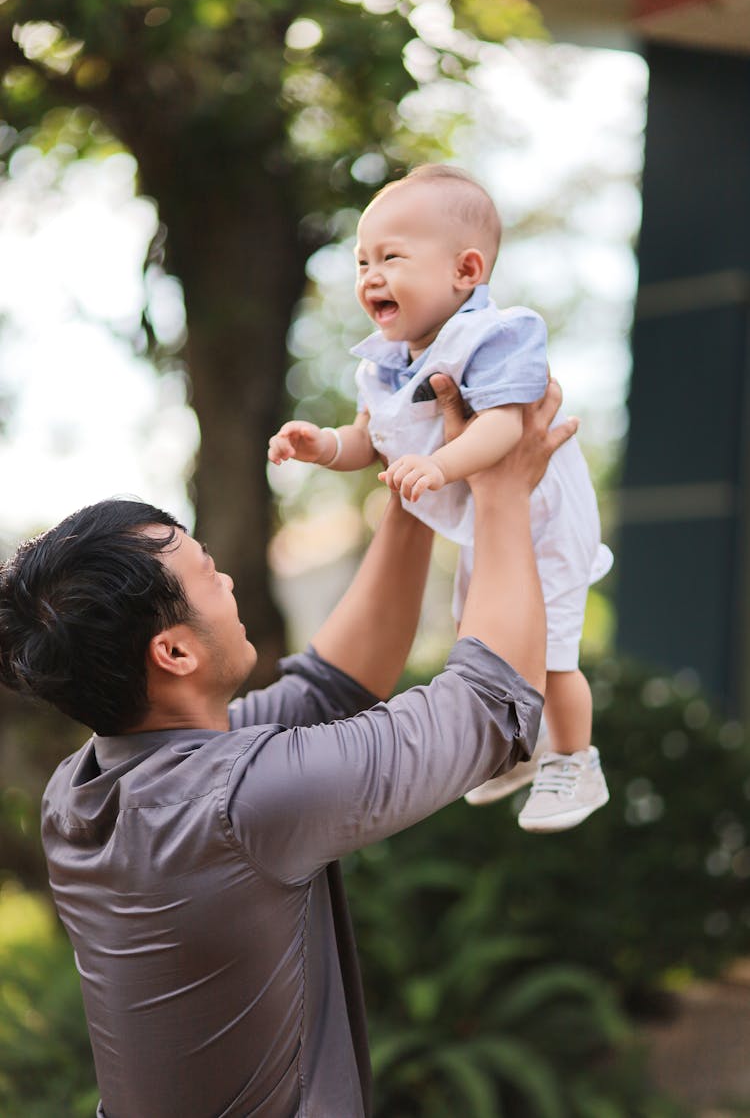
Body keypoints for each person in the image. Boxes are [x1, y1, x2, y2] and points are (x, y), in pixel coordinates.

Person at [0, 378, 573, 1118]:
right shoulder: (241, 802)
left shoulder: (84, 788)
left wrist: (417, 481)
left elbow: (332, 687)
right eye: (209, 574)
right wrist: (501, 488)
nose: (231, 580)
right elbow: (494, 703)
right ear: (173, 652)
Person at [268, 164, 613, 833]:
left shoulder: (497, 335)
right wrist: (324, 447)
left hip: (544, 515)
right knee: (481, 634)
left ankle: (576, 759)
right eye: (362, 260)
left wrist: (440, 463)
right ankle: (515, 749)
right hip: (487, 521)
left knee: (554, 647)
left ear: (466, 270)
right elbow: (370, 440)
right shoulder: (384, 362)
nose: (370, 274)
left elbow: (505, 427)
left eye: (391, 256)